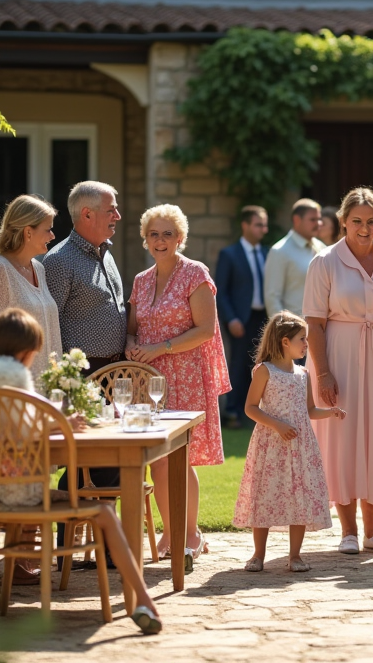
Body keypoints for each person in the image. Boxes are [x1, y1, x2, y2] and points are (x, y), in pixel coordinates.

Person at [0, 307, 164, 635]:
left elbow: (8, 431)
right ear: (25, 353)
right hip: (29, 493)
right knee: (106, 511)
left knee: (101, 510)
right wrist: (62, 426)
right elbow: (26, 435)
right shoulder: (15, 379)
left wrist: (51, 424)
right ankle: (143, 600)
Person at [303, 186, 373, 555]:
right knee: (342, 439)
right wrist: (323, 374)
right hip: (338, 355)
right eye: (357, 222)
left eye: (371, 222)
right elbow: (314, 324)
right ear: (343, 222)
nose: (365, 229)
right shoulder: (325, 262)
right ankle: (348, 531)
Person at [127, 204, 232, 560]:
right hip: (150, 381)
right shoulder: (140, 281)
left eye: (167, 234)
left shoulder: (195, 273)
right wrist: (133, 347)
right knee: (158, 461)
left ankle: (190, 535)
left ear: (180, 238)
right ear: (145, 239)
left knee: (179, 459)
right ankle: (170, 534)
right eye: (153, 234)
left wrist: (159, 348)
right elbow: (132, 328)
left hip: (186, 374)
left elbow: (205, 330)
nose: (160, 240)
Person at [42, 181, 126, 552]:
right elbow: (49, 322)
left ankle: (102, 546)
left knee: (109, 462)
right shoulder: (58, 261)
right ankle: (71, 548)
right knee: (82, 462)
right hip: (82, 375)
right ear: (87, 214)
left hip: (113, 373)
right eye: (111, 210)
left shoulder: (104, 252)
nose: (118, 217)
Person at [234, 311, 346, 572]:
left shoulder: (303, 374)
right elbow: (250, 407)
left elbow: (309, 410)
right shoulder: (264, 371)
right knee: (265, 496)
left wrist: (330, 412)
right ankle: (258, 555)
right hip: (270, 445)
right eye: (302, 339)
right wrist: (276, 425)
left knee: (300, 498)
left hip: (300, 447)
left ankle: (295, 556)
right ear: (285, 341)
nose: (307, 344)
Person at [0, 195, 64, 388]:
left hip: (45, 383)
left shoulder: (39, 268)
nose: (53, 236)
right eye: (48, 230)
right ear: (28, 232)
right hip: (8, 385)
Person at [215, 205, 270, 428]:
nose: (263, 229)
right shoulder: (229, 254)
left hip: (264, 319)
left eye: (265, 225)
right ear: (245, 225)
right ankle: (233, 413)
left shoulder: (268, 254)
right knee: (238, 365)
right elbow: (221, 291)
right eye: (258, 224)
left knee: (261, 367)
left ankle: (255, 413)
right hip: (240, 319)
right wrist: (231, 319)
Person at [263, 198, 326, 318]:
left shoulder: (322, 248)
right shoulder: (280, 251)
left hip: (324, 328)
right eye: (313, 219)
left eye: (319, 219)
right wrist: (283, 331)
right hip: (296, 331)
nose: (318, 224)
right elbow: (272, 298)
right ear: (297, 220)